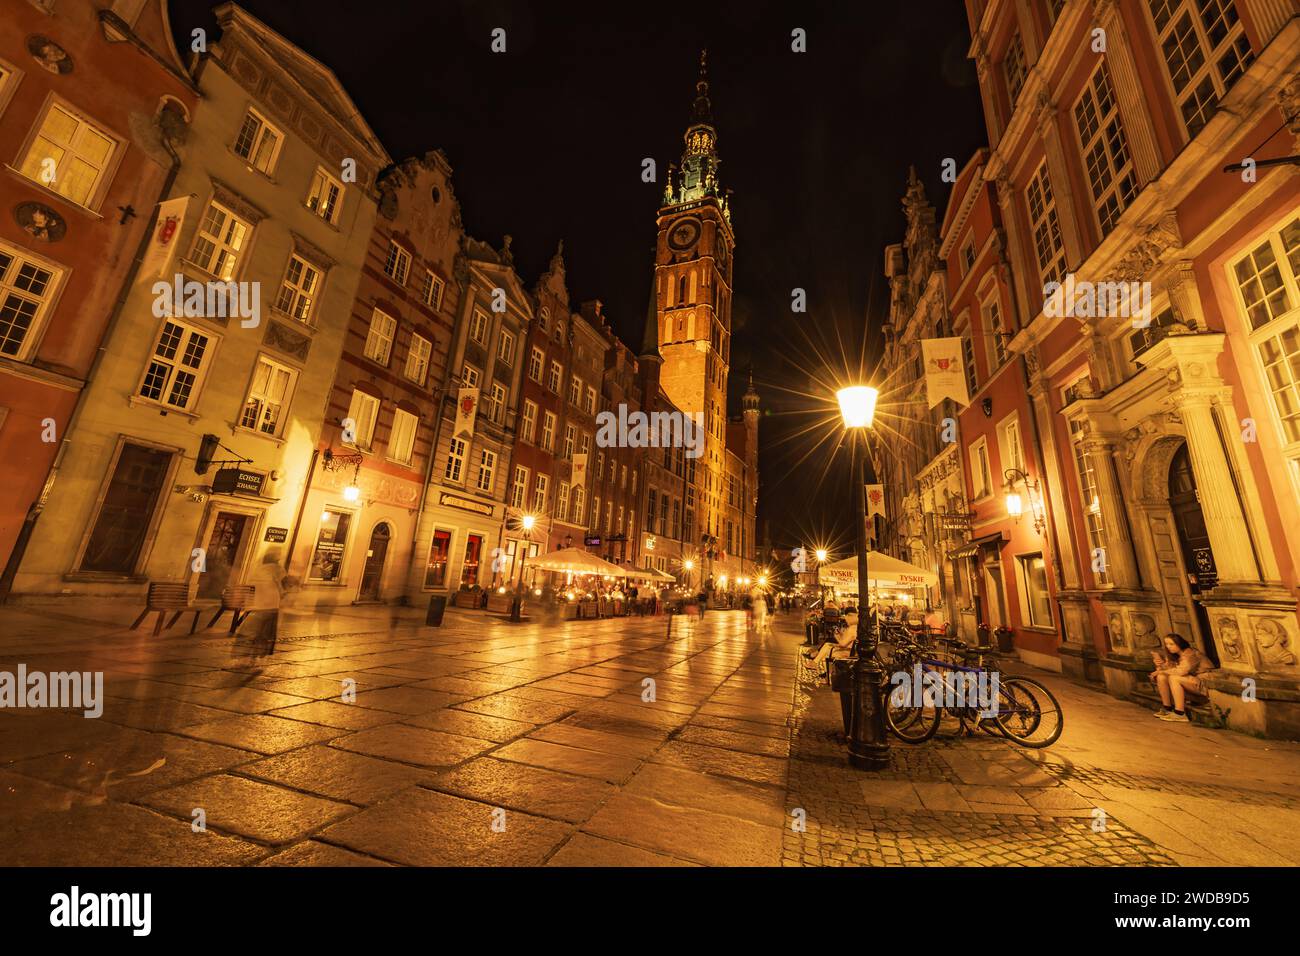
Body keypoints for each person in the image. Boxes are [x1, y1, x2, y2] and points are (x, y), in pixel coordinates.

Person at [1149, 633, 1215, 721]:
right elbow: (1168, 670)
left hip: (1205, 685)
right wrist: (1159, 665)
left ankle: (1180, 713)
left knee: (1173, 678)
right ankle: (1167, 708)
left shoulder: (1190, 653)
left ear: (1179, 643)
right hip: (1191, 683)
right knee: (1162, 677)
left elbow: (1181, 671)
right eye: (1167, 644)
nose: (1168, 647)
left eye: (1171, 644)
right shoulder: (1175, 655)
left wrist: (1160, 671)